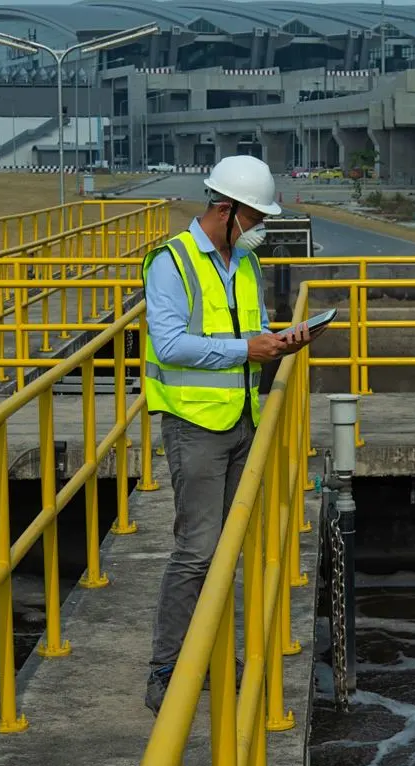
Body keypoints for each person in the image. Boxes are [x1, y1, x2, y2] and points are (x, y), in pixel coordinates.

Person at [141, 155, 319, 715]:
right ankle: (165, 674)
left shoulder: (242, 261)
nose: (260, 225)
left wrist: (279, 337)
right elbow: (169, 345)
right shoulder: (171, 263)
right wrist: (249, 349)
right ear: (226, 209)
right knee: (196, 552)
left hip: (243, 418)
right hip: (195, 426)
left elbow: (246, 329)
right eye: (256, 215)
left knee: (228, 552)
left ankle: (217, 660)